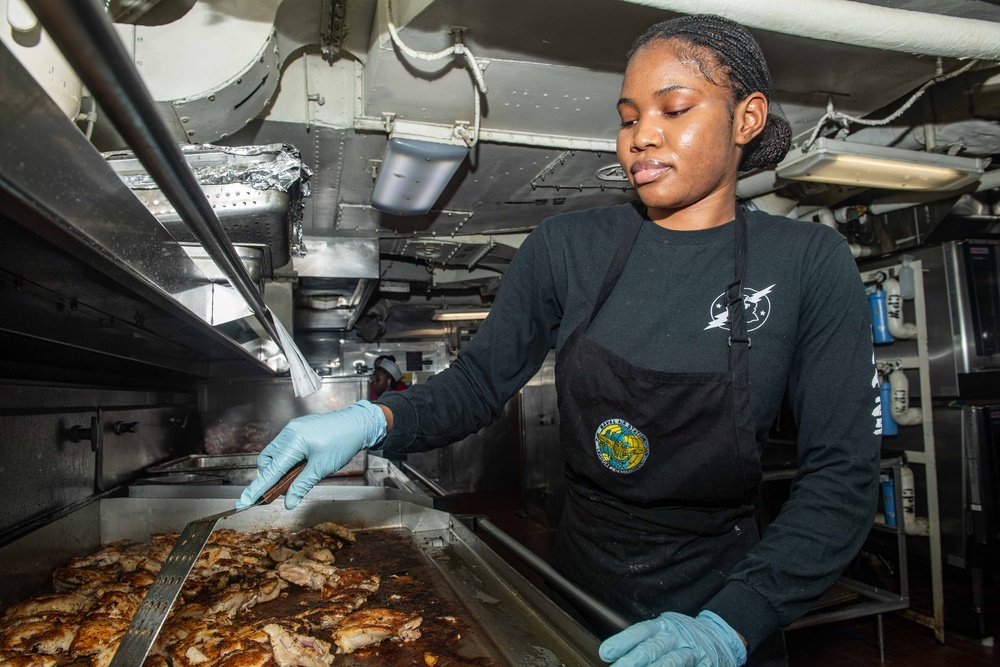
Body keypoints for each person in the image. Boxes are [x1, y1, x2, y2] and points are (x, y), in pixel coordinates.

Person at [238, 14, 881, 667]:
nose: (641, 137)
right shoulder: (568, 249)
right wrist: (374, 418)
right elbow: (479, 384)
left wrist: (732, 624)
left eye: (674, 109)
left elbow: (843, 476)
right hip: (582, 584)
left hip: (726, 591)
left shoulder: (807, 262)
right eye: (628, 118)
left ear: (747, 119)